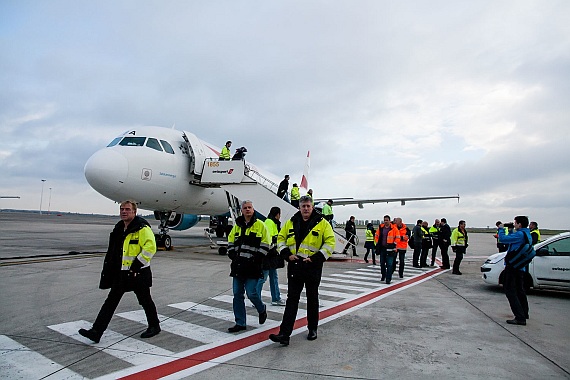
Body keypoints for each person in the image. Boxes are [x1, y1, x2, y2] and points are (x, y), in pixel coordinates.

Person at [78, 200, 160, 343]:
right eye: (122, 209)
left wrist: (136, 266)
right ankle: (96, 332)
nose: (124, 212)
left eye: (127, 209)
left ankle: (154, 326)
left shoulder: (142, 228)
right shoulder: (119, 229)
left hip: (138, 273)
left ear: (134, 212)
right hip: (122, 274)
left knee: (145, 301)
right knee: (110, 302)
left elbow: (150, 248)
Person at [269, 195, 336, 346]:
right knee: (292, 300)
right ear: (299, 207)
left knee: (312, 299)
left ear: (312, 207)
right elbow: (280, 239)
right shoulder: (291, 222)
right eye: (303, 206)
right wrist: (286, 254)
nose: (306, 209)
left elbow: (330, 243)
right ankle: (284, 334)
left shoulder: (323, 223)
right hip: (296, 265)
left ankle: (312, 328)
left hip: (312, 266)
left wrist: (316, 258)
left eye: (308, 206)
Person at [227, 200, 270, 332]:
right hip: (238, 266)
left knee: (252, 293)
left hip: (252, 267)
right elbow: (230, 241)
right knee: (237, 294)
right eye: (245, 208)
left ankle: (261, 309)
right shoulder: (237, 225)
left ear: (253, 209)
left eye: (249, 207)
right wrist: (233, 255)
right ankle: (240, 323)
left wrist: (256, 259)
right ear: (242, 210)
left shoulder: (260, 225)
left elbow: (266, 244)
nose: (247, 210)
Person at [497, 216, 531, 325]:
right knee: (520, 290)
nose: (514, 224)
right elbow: (512, 240)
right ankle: (524, 313)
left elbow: (503, 239)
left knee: (510, 290)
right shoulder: (526, 234)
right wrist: (511, 230)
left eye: (515, 223)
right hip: (520, 266)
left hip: (513, 266)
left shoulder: (520, 234)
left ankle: (520, 317)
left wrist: (501, 229)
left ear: (520, 224)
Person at [257, 206, 286, 306]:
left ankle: (276, 298)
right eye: (279, 214)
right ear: (277, 214)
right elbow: (268, 240)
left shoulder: (272, 222)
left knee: (273, 277)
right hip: (268, 255)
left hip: (272, 255)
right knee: (263, 277)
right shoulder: (269, 222)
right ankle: (256, 299)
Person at [374, 215, 399, 284]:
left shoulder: (394, 229)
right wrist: (377, 243)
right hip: (382, 248)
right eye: (384, 220)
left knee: (389, 264)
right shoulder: (381, 228)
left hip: (390, 248)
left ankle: (388, 278)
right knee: (382, 263)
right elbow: (376, 236)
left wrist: (394, 244)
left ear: (389, 221)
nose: (385, 221)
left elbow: (398, 237)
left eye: (387, 220)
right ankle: (383, 275)